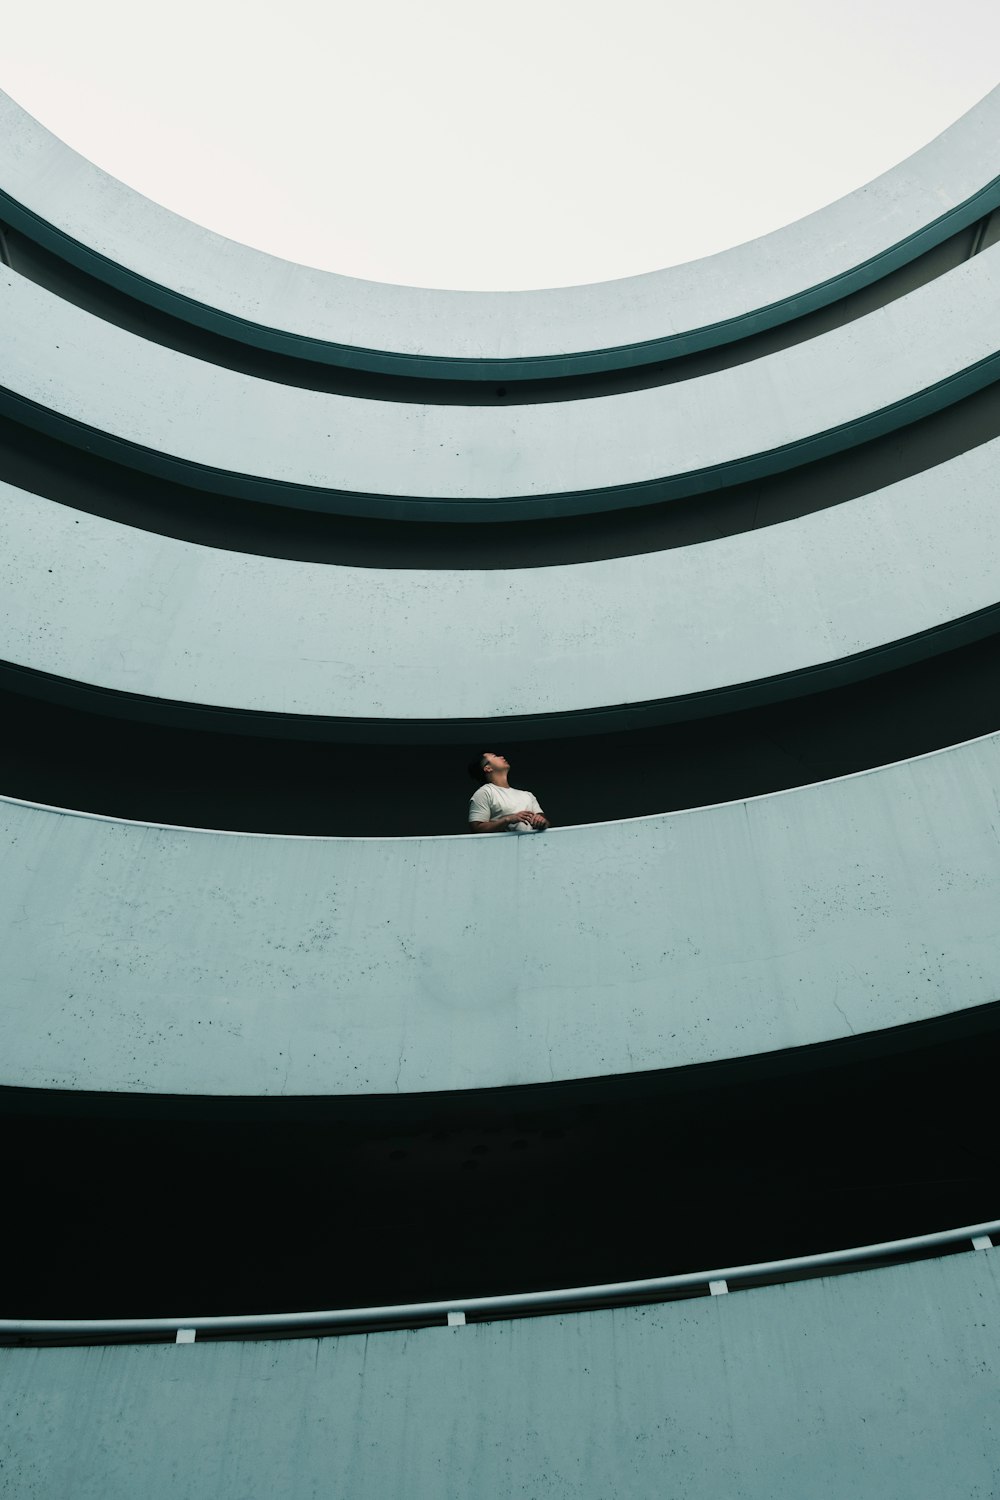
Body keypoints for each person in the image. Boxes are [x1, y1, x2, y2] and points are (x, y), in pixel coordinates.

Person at [467, 752, 549, 834]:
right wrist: (508, 819)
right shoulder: (485, 792)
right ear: (488, 768)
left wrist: (541, 821)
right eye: (495, 756)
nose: (502, 757)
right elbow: (476, 828)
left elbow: (544, 822)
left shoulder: (528, 795)